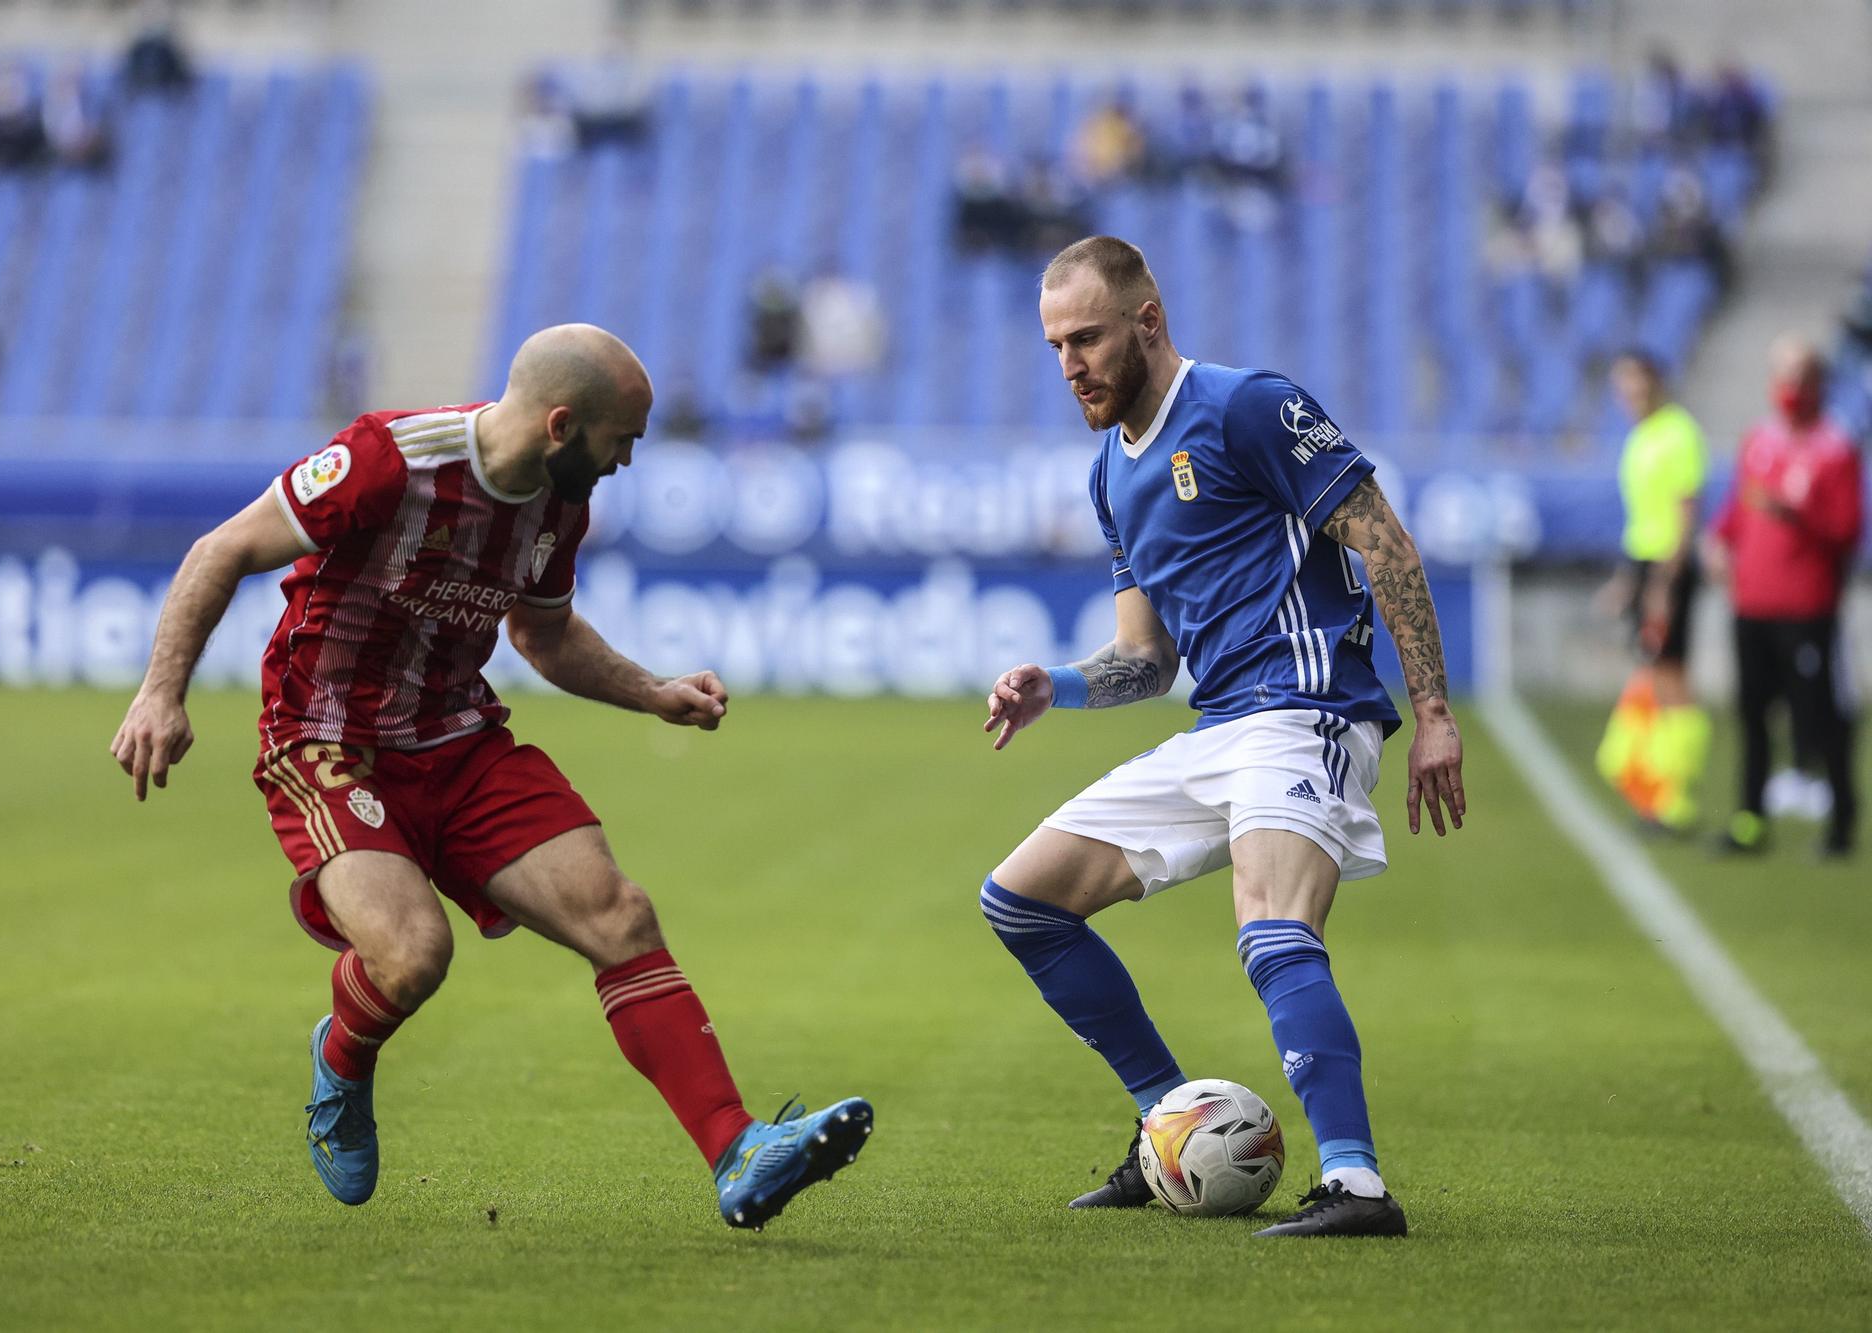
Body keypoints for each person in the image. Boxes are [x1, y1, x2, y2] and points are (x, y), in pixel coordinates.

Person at [109, 324, 872, 1227]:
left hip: (458, 740)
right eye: (622, 437)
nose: (629, 458)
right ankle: (343, 1058)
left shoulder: (558, 502)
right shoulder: (385, 460)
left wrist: (652, 693)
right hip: (327, 736)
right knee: (413, 954)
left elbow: (542, 635)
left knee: (619, 914)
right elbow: (221, 549)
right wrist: (162, 693)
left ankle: (737, 1150)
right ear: (561, 424)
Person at [978, 237, 1465, 1238]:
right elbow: (1145, 661)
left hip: (1307, 707)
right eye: (1053, 345)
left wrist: (1433, 714)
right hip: (1220, 725)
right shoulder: (1110, 481)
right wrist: (1055, 688)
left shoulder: (1248, 407)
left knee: (1269, 926)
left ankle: (1356, 1185)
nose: (1068, 364)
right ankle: (1167, 1122)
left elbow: (1383, 541)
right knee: (1020, 901)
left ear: (1146, 322)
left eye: (1085, 338)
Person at [1707, 335, 1863, 858]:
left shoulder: (1835, 448)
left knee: (1820, 715)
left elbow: (1847, 529)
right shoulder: (1760, 440)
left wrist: (1794, 513)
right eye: (1782, 376)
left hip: (1808, 608)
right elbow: (1738, 507)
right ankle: (1750, 820)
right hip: (1752, 604)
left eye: (1799, 376)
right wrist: (1719, 540)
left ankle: (1840, 824)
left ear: (1819, 383)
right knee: (1753, 716)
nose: (1789, 387)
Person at [1594, 349, 1712, 832]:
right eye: (1622, 387)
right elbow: (1643, 517)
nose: (1629, 396)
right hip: (1647, 565)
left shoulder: (1678, 432)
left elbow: (1685, 514)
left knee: (1671, 678)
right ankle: (1656, 790)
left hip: (1669, 567)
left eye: (1636, 385)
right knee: (1654, 673)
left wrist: (1664, 582)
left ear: (1655, 382)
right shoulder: (1640, 437)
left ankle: (1674, 795)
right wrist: (1628, 580)